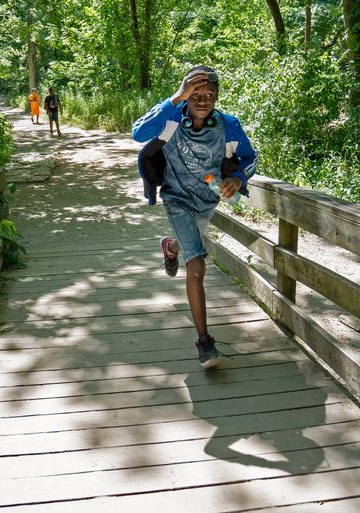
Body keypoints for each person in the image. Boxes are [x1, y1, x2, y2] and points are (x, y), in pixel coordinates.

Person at [132, 65, 257, 368]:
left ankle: (169, 247)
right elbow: (138, 133)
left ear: (216, 98)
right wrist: (177, 97)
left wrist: (238, 178)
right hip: (176, 197)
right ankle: (204, 341)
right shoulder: (172, 120)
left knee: (188, 246)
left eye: (209, 95)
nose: (202, 101)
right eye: (195, 94)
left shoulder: (228, 125)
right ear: (186, 94)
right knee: (197, 262)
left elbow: (249, 157)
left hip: (207, 196)